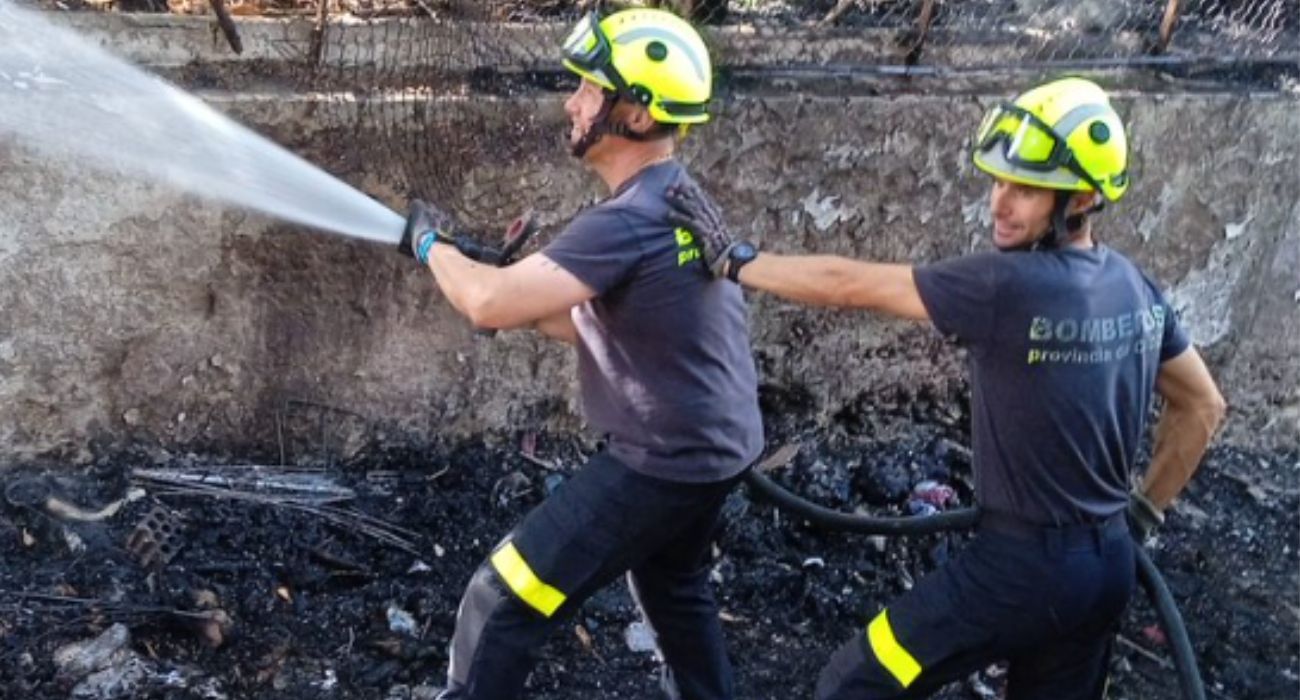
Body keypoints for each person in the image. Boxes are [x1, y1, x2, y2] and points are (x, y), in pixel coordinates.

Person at [666, 77, 1226, 699]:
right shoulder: (1136, 286)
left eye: (1026, 188)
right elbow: (1203, 405)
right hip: (1106, 572)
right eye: (998, 180)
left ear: (1085, 197)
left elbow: (852, 284)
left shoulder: (1007, 287)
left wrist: (737, 260)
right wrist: (1143, 512)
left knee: (855, 682)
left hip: (1014, 575)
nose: (999, 202)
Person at [397, 8, 763, 700]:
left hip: (663, 462)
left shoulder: (627, 219)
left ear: (635, 114)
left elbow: (485, 305)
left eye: (590, 90)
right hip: (715, 452)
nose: (572, 102)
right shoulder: (676, 196)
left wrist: (430, 246)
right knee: (675, 592)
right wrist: (510, 286)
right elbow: (604, 326)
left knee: (500, 599)